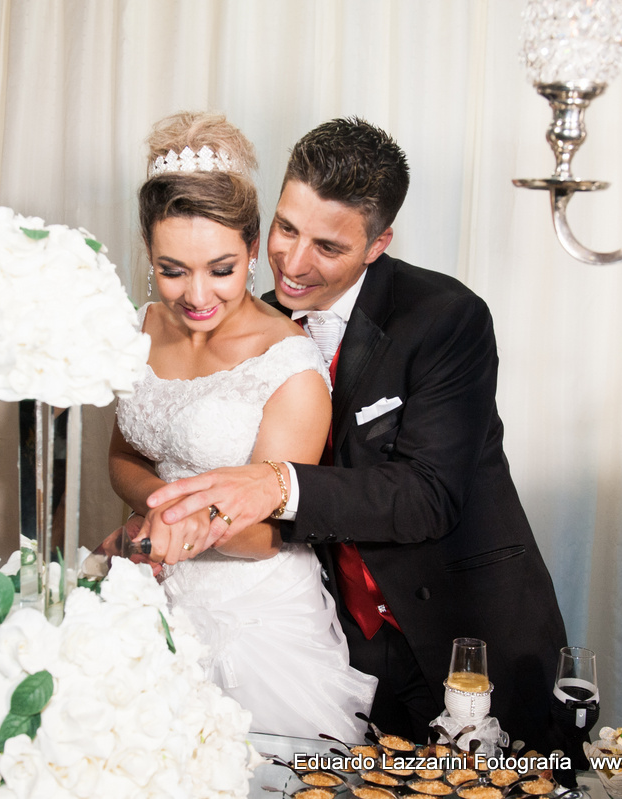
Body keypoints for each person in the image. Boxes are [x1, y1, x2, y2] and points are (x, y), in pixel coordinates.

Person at [140, 117, 569, 749]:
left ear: (378, 243)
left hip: (463, 630)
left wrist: (275, 485)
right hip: (340, 637)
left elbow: (428, 495)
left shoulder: (447, 319)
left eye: (328, 247)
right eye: (286, 228)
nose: (292, 260)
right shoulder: (252, 319)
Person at [107, 111, 376, 740]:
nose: (196, 295)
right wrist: (159, 509)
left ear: (253, 248)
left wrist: (151, 529)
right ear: (149, 253)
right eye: (172, 269)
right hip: (150, 592)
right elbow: (123, 455)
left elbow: (264, 536)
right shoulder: (138, 330)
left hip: (253, 616)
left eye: (221, 269)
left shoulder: (290, 363)